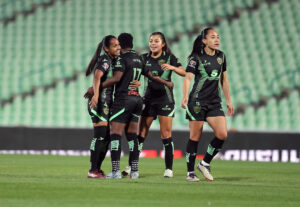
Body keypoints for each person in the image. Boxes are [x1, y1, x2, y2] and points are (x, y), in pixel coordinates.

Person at [106, 33, 174, 179]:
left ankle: (116, 171)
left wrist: (97, 87)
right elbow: (151, 76)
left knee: (115, 135)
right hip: (137, 101)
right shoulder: (139, 58)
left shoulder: (121, 59)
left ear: (121, 44)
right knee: (132, 137)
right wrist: (166, 82)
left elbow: (117, 78)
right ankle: (135, 171)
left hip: (123, 99)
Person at [123, 32, 186, 178]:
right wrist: (138, 82)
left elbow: (184, 72)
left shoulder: (170, 58)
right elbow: (136, 73)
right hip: (148, 100)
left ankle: (169, 169)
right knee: (141, 135)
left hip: (165, 100)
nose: (152, 43)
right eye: (151, 41)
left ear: (163, 44)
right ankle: (132, 166)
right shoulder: (143, 58)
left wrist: (173, 68)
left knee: (166, 135)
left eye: (156, 41)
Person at [181, 28, 234, 182]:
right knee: (195, 137)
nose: (217, 40)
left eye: (218, 37)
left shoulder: (221, 56)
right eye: (212, 37)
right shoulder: (196, 57)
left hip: (214, 102)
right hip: (197, 101)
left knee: (222, 134)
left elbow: (224, 79)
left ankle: (204, 163)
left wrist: (229, 101)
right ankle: (190, 172)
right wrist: (185, 96)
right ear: (204, 41)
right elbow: (188, 78)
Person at [84, 35, 121, 178]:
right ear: (107, 48)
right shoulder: (105, 59)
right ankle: (92, 169)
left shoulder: (111, 60)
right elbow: (97, 76)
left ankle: (97, 169)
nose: (118, 47)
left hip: (106, 102)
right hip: (99, 103)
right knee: (99, 136)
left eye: (119, 44)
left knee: (106, 137)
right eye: (115, 45)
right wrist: (96, 96)